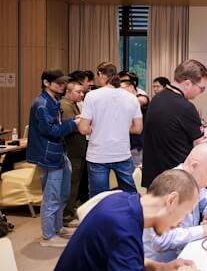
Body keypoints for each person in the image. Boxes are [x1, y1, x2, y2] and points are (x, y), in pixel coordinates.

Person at [40, 169, 201, 271]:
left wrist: (161, 267)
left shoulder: (123, 200)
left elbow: (124, 260)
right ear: (171, 200)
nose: (181, 223)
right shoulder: (122, 228)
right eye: (185, 213)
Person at [143, 144, 207, 271]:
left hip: (176, 261)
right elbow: (161, 240)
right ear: (194, 165)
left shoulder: (192, 181)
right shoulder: (172, 186)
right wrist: (203, 230)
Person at [26, 70, 80, 247]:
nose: (62, 86)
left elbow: (57, 126)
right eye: (58, 83)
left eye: (63, 83)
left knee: (63, 193)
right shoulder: (41, 104)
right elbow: (52, 131)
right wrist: (74, 123)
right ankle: (48, 236)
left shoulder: (54, 100)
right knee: (52, 196)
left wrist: (74, 120)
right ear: (46, 82)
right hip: (49, 155)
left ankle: (57, 228)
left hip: (58, 152)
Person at [143, 60, 207, 187]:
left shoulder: (156, 99)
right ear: (187, 84)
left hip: (155, 179)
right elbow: (200, 146)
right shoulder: (185, 107)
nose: (201, 92)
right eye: (201, 88)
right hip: (177, 181)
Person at [78, 62, 143, 197]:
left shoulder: (92, 96)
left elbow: (83, 129)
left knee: (99, 198)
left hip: (98, 155)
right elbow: (138, 128)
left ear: (101, 74)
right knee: (130, 194)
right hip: (122, 153)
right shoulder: (132, 98)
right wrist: (121, 128)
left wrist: (95, 128)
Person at [60, 79, 87, 225]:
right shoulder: (65, 105)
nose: (81, 94)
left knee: (74, 183)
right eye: (78, 92)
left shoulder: (72, 104)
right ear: (68, 92)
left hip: (78, 149)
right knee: (71, 183)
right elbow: (67, 127)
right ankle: (66, 215)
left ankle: (69, 212)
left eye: (82, 92)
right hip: (72, 150)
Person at [120, 72, 149, 167]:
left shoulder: (141, 96)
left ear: (132, 86)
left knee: (136, 171)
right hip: (124, 144)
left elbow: (141, 101)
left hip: (137, 144)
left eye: (124, 82)